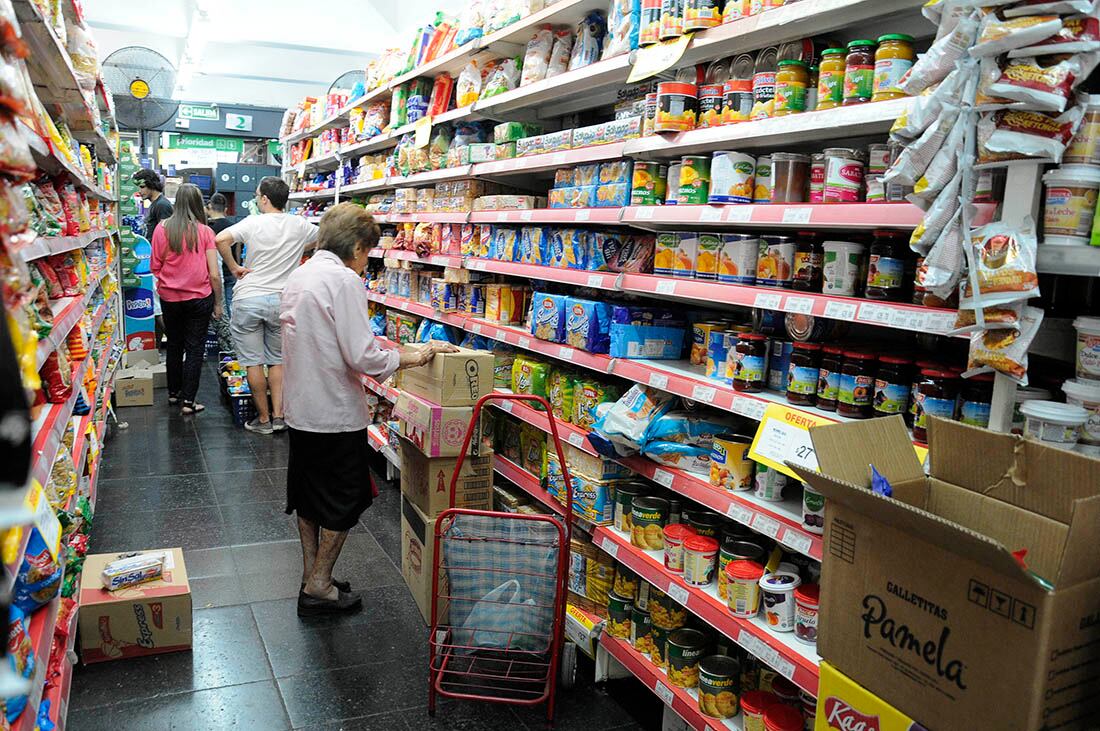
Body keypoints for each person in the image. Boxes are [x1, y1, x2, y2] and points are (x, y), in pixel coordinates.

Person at [280, 203, 456, 616]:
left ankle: (312, 578)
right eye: (367, 255)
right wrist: (414, 356)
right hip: (334, 413)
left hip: (301, 407)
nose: (365, 264)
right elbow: (363, 356)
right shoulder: (342, 280)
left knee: (307, 498)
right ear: (358, 246)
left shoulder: (300, 274)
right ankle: (321, 584)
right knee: (346, 500)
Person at [215, 177, 318, 435]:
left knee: (253, 363)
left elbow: (220, 240)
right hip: (283, 301)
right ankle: (279, 416)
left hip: (248, 298)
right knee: (277, 361)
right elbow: (323, 238)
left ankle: (263, 420)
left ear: (264, 199)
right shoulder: (300, 224)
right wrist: (297, 250)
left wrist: (234, 267)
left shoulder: (253, 222)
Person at [148, 184, 223, 414]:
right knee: (194, 349)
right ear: (198, 203)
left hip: (170, 298)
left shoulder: (162, 229)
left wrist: (170, 281)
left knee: (174, 345)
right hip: (199, 298)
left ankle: (173, 394)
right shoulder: (205, 232)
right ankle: (189, 402)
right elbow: (213, 273)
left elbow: (155, 265)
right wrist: (218, 302)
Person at [205, 193, 235, 354]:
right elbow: (236, 252)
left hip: (214, 275)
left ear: (210, 207)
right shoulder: (232, 226)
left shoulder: (207, 228)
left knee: (217, 311)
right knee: (229, 310)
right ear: (226, 208)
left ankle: (218, 345)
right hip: (230, 272)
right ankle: (230, 347)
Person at [132, 169, 173, 240]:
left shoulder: (162, 205)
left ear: (151, 184)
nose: (139, 191)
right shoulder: (155, 204)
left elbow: (166, 236)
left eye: (142, 187)